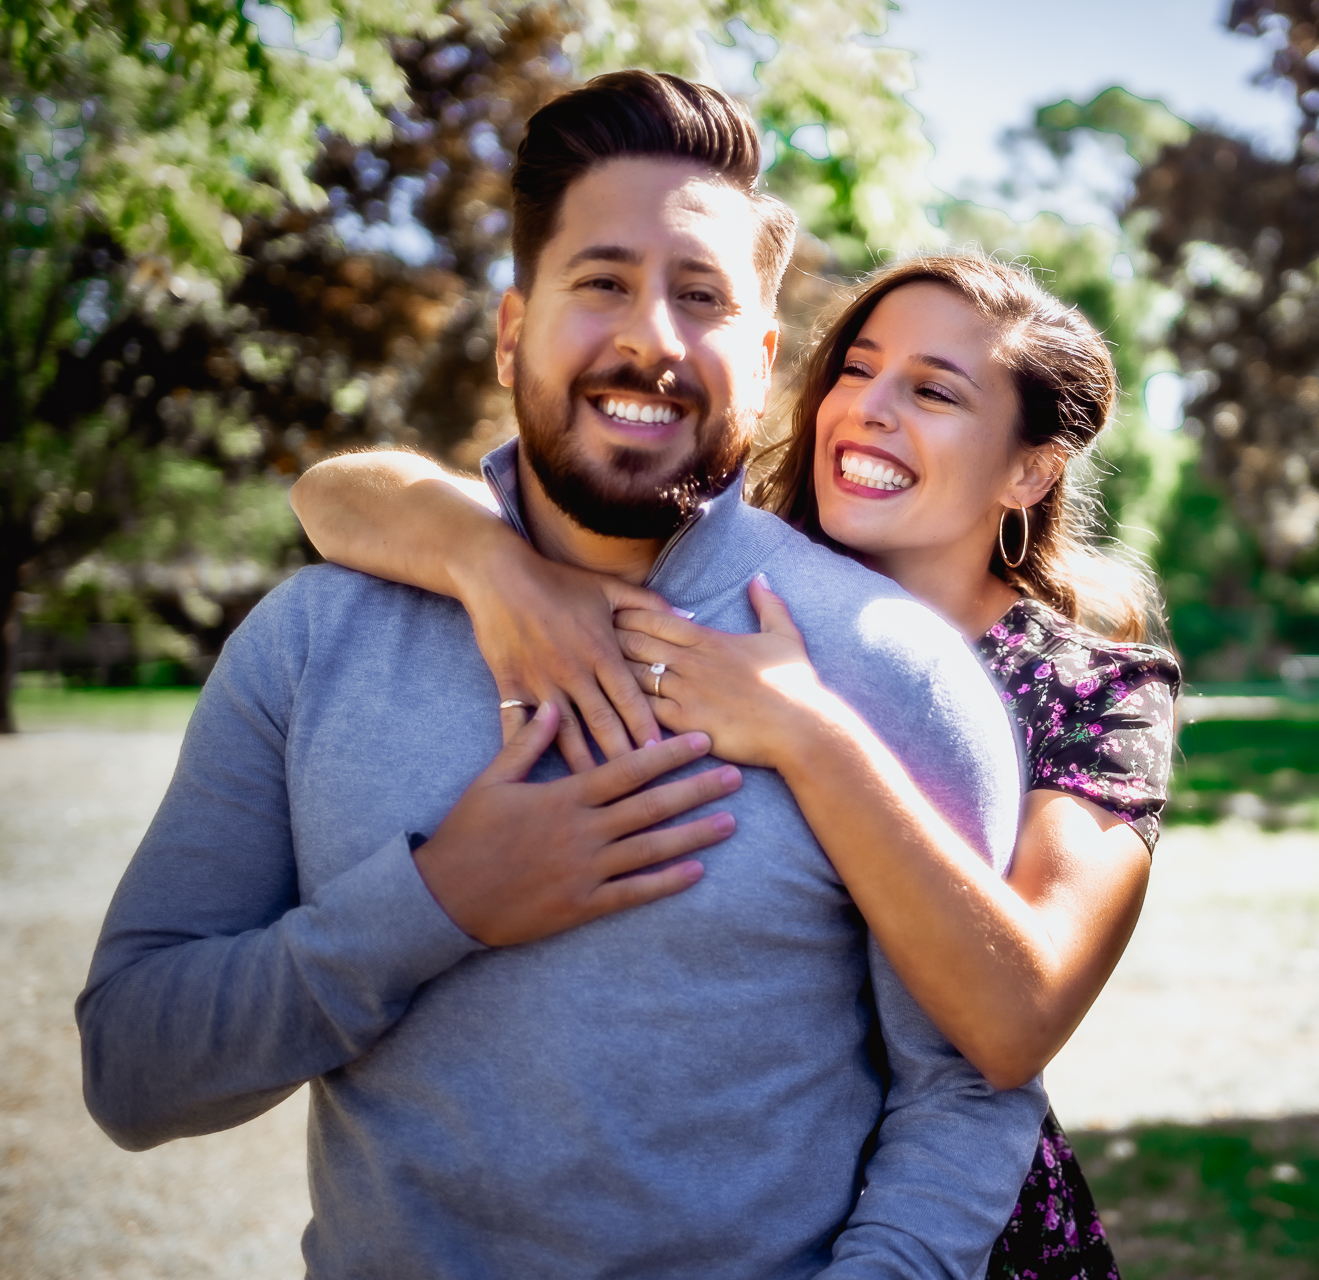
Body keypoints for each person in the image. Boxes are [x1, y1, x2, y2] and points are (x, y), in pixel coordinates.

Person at [77, 71, 1051, 1279]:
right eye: (602, 282)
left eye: (702, 297)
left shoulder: (889, 665)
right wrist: (436, 902)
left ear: (763, 360)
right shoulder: (313, 640)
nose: (653, 338)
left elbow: (968, 1087)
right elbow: (132, 1070)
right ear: (509, 333)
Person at [291, 248, 1183, 1277]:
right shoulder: (703, 578)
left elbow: (1014, 1020)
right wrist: (486, 558)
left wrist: (807, 731)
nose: (869, 409)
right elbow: (328, 495)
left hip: (964, 1237)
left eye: (934, 391)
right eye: (857, 369)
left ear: (1029, 470)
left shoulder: (1092, 691)